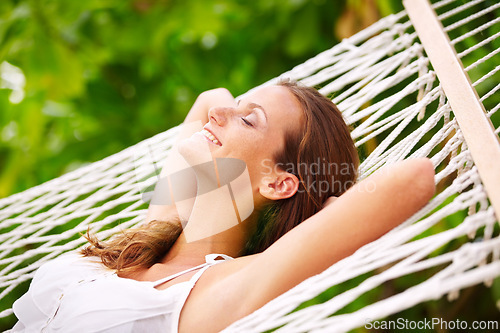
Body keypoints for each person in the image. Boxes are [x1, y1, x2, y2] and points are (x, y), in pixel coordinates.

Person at [11, 80, 435, 332]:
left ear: (280, 181)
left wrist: (323, 215)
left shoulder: (223, 288)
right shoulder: (156, 231)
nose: (218, 112)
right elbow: (211, 98)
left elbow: (414, 177)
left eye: (248, 120)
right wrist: (242, 115)